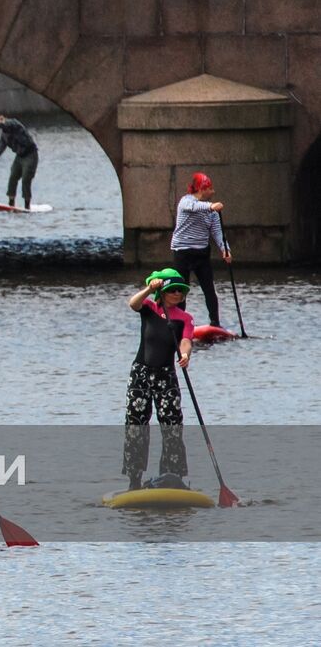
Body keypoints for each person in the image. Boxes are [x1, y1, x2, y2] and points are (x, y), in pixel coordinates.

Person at [122, 270, 193, 491]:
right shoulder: (150, 309)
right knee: (136, 426)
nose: (177, 294)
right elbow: (133, 303)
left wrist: (185, 355)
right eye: (173, 290)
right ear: (162, 292)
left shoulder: (185, 318)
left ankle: (171, 477)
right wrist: (150, 289)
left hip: (166, 376)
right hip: (141, 374)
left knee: (172, 426)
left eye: (181, 292)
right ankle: (134, 479)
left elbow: (186, 341)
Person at [170, 172, 230, 328]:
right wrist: (211, 206)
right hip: (182, 252)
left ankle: (215, 323)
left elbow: (217, 232)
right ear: (202, 189)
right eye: (210, 189)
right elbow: (194, 207)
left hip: (201, 254)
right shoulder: (186, 201)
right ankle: (179, 323)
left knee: (209, 289)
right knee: (180, 290)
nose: (213, 192)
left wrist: (225, 249)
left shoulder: (212, 212)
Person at [0, 114, 38, 209]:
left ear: (2, 118)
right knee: (12, 177)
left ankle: (27, 206)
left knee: (26, 179)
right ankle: (11, 203)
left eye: (0, 121)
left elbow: (6, 124)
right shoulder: (4, 136)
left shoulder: (14, 123)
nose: (0, 125)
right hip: (19, 157)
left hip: (30, 155)